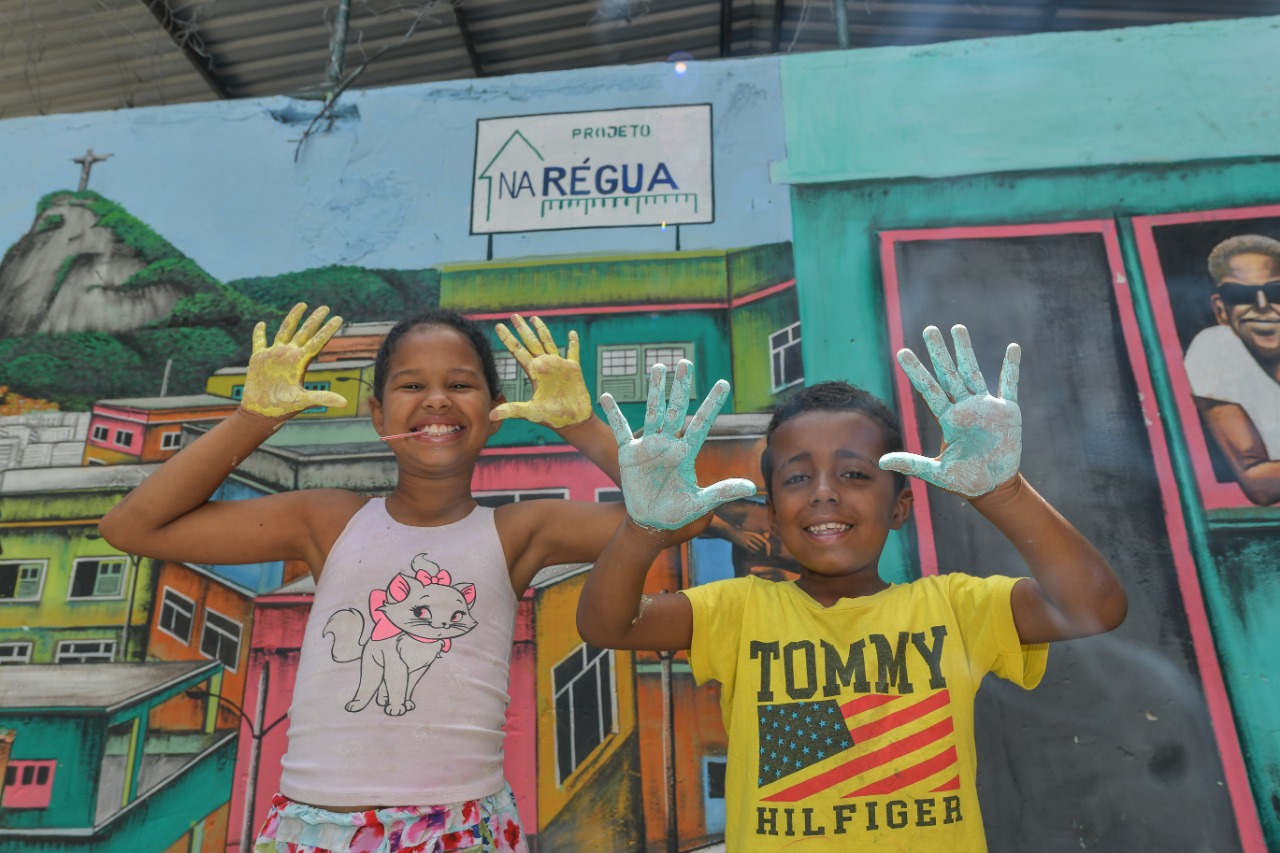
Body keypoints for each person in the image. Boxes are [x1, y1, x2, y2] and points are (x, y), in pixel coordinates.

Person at [99, 304, 628, 853]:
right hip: (313, 830)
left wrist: (580, 426)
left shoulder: (521, 531)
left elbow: (676, 516)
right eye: (412, 384)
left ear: (497, 410)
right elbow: (132, 527)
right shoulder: (329, 520)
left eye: (461, 383)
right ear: (378, 415)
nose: (437, 398)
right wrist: (254, 418)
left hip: (461, 830)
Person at [577, 325, 1127, 852]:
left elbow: (1096, 606)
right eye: (796, 478)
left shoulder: (954, 608)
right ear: (771, 513)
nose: (823, 494)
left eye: (855, 475)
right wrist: (641, 529)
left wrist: (1003, 493)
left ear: (900, 506)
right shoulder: (738, 609)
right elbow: (606, 624)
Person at [1183, 233, 1280, 505]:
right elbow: (1258, 482)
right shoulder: (1215, 348)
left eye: (1276, 292)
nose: (1262, 306)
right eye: (1241, 295)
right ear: (1221, 309)